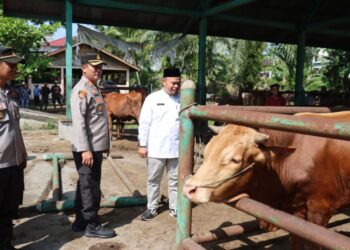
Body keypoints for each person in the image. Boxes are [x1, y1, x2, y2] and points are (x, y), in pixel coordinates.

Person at [70, 53, 116, 238]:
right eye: (94, 66)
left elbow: (98, 121)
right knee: (90, 187)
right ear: (83, 68)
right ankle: (92, 225)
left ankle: (80, 221)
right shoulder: (81, 90)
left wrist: (104, 143)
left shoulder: (93, 88)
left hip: (95, 147)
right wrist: (85, 149)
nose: (98, 70)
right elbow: (79, 122)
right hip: (87, 149)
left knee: (85, 184)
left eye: (100, 67)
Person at [138, 68, 181, 221]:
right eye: (173, 83)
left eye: (178, 83)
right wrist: (143, 144)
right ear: (163, 81)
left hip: (176, 149)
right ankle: (152, 207)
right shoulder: (152, 98)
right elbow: (144, 123)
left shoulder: (183, 99)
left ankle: (175, 207)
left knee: (175, 180)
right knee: (153, 180)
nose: (176, 86)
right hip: (156, 148)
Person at [0, 47, 27, 250]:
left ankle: (6, 244)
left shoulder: (9, 94)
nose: (15, 68)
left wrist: (23, 155)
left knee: (9, 209)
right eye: (10, 64)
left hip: (14, 164)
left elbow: (15, 131)